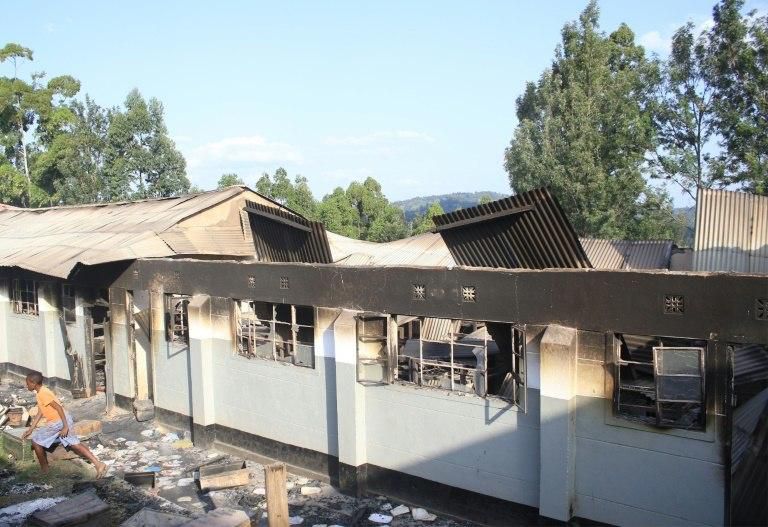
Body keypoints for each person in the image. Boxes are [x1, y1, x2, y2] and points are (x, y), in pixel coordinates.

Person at [21, 371, 107, 478]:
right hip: (63, 419)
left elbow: (58, 407)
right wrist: (31, 428)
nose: (26, 385)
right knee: (74, 444)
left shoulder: (43, 393)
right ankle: (99, 464)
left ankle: (45, 471)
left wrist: (65, 426)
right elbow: (41, 411)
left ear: (33, 383)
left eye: (27, 383)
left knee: (36, 442)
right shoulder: (40, 392)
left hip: (58, 421)